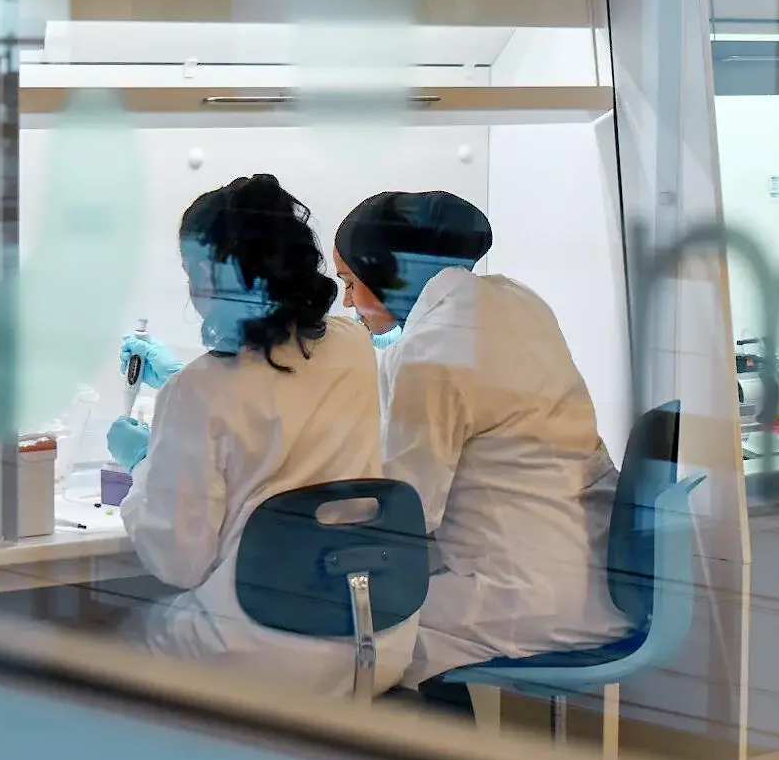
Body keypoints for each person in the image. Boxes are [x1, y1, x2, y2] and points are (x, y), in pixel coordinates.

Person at [108, 173, 412, 696]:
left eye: (191, 271)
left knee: (100, 647)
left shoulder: (201, 391)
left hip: (262, 649)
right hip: (371, 636)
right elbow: (278, 397)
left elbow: (179, 561)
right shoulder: (351, 347)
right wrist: (184, 387)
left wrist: (141, 468)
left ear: (208, 273)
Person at [331, 191, 630, 694]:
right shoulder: (516, 299)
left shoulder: (430, 352)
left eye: (350, 282)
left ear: (387, 273)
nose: (346, 302)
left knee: (338, 635)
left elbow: (409, 511)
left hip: (523, 596)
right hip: (594, 575)